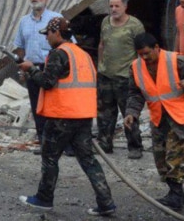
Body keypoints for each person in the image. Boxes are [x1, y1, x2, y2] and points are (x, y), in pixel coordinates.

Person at [18, 17, 116, 217]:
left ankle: (44, 199)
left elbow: (47, 82)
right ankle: (106, 202)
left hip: (62, 115)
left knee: (50, 158)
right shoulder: (83, 55)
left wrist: (31, 69)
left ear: (57, 33)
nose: (46, 38)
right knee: (88, 159)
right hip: (83, 115)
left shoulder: (59, 54)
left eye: (48, 34)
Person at [125, 32, 184, 211]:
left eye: (147, 53)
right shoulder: (136, 67)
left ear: (156, 48)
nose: (144, 58)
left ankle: (176, 197)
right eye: (140, 54)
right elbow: (135, 93)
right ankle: (177, 192)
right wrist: (132, 113)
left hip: (182, 117)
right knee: (160, 158)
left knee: (175, 155)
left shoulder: (178, 62)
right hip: (159, 118)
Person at [11, 0, 63, 151]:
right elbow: (20, 46)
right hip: (31, 67)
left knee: (55, 106)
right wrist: (22, 68)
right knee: (37, 106)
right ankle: (44, 143)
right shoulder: (24, 21)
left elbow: (68, 43)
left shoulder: (56, 18)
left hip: (52, 68)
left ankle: (62, 142)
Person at [95, 0, 145, 158]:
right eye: (111, 6)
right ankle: (105, 144)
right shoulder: (105, 22)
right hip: (106, 76)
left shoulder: (135, 25)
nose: (113, 9)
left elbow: (142, 51)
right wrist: (100, 66)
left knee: (129, 113)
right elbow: (102, 44)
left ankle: (135, 146)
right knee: (104, 113)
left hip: (126, 77)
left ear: (125, 6)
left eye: (117, 6)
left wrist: (139, 74)